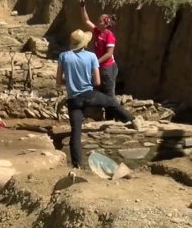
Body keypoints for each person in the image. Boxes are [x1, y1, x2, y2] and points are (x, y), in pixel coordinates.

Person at [58, 29, 136, 170]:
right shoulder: (92, 56)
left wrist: (70, 82)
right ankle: (132, 120)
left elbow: (59, 81)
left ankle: (77, 164)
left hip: (74, 100)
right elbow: (98, 82)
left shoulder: (63, 56)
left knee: (75, 131)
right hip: (89, 95)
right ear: (84, 44)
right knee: (111, 102)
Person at [79, 0, 118, 100]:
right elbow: (86, 20)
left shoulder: (109, 35)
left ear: (105, 24)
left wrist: (96, 62)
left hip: (107, 67)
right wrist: (83, 7)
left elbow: (109, 54)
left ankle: (111, 114)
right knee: (97, 89)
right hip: (100, 66)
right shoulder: (97, 31)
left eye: (100, 21)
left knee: (109, 93)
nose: (97, 22)